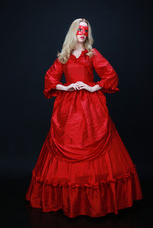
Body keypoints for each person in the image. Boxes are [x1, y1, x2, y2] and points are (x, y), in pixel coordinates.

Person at [25, 18, 143, 218]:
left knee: (95, 142)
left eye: (85, 29)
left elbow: (110, 75)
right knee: (67, 144)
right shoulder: (64, 56)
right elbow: (50, 79)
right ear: (73, 31)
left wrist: (92, 86)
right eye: (79, 29)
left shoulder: (92, 54)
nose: (82, 32)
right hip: (68, 108)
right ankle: (69, 200)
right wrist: (67, 86)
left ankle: (95, 201)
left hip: (91, 107)